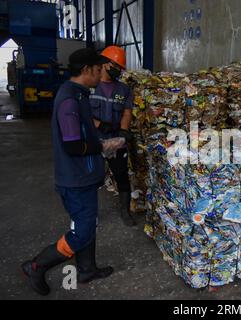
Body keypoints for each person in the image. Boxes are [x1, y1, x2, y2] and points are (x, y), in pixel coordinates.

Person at [21, 48, 121, 296]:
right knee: (82, 231)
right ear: (86, 70)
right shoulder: (69, 101)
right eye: (98, 70)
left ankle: (86, 269)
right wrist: (104, 146)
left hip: (84, 176)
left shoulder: (79, 95)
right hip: (75, 179)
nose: (101, 75)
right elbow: (74, 145)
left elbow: (84, 133)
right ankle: (37, 266)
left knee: (87, 223)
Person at [90, 45, 136, 226]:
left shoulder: (124, 90)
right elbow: (82, 113)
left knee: (121, 176)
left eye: (120, 69)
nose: (118, 71)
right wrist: (100, 124)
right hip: (94, 140)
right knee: (92, 178)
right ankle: (91, 214)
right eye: (116, 67)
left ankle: (125, 212)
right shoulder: (91, 86)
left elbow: (126, 111)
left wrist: (124, 131)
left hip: (116, 141)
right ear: (105, 64)